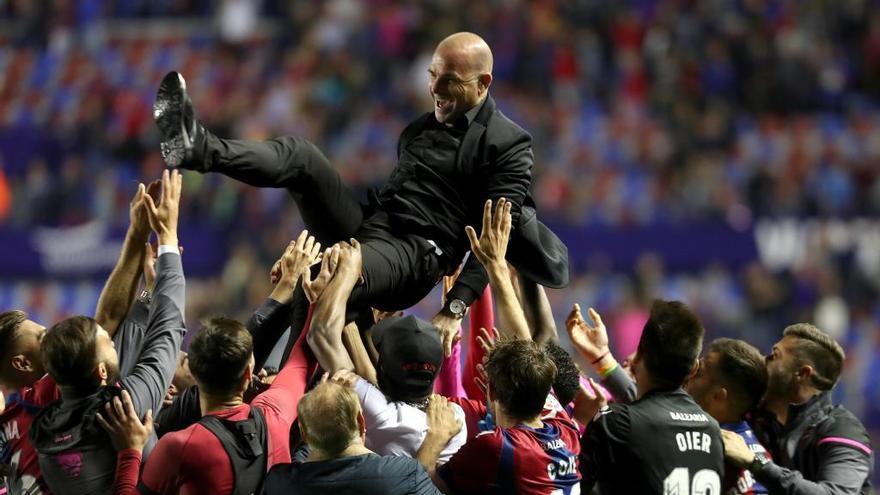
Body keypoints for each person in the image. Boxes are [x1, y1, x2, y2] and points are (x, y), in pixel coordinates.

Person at [153, 31, 569, 356]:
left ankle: (258, 372)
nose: (436, 88)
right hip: (374, 228)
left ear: (484, 83)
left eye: (449, 81)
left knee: (326, 273)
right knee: (302, 156)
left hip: (417, 255)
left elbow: (498, 236)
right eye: (432, 74)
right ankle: (197, 147)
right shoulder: (421, 128)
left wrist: (454, 308)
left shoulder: (508, 144)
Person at [0, 180, 168, 495]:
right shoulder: (38, 400)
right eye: (43, 338)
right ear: (22, 363)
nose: (54, 339)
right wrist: (136, 234)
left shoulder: (7, 426)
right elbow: (102, 324)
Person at [133, 233, 321, 494]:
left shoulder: (177, 446)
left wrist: (129, 452)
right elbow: (303, 356)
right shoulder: (274, 413)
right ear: (247, 373)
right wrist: (303, 289)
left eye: (185, 357)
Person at [305, 238, 468, 463]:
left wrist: (347, 274)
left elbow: (322, 335)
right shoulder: (455, 419)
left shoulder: (382, 415)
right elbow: (377, 381)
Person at [568, 299, 724, 494]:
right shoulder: (714, 431)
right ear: (694, 369)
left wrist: (580, 422)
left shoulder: (615, 423)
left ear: (637, 358)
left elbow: (568, 486)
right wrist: (603, 359)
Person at [723, 324, 874, 494]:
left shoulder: (842, 430)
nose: (764, 360)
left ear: (802, 373)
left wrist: (756, 463)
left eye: (774, 356)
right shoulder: (754, 418)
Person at [262, 381, 443, 494]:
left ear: (304, 433)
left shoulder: (279, 482)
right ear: (360, 420)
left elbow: (299, 467)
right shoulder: (405, 473)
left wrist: (314, 418)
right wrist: (435, 439)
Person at [686, 338, 771, 494]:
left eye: (699, 372)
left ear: (718, 396)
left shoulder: (724, 454)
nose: (689, 374)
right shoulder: (761, 457)